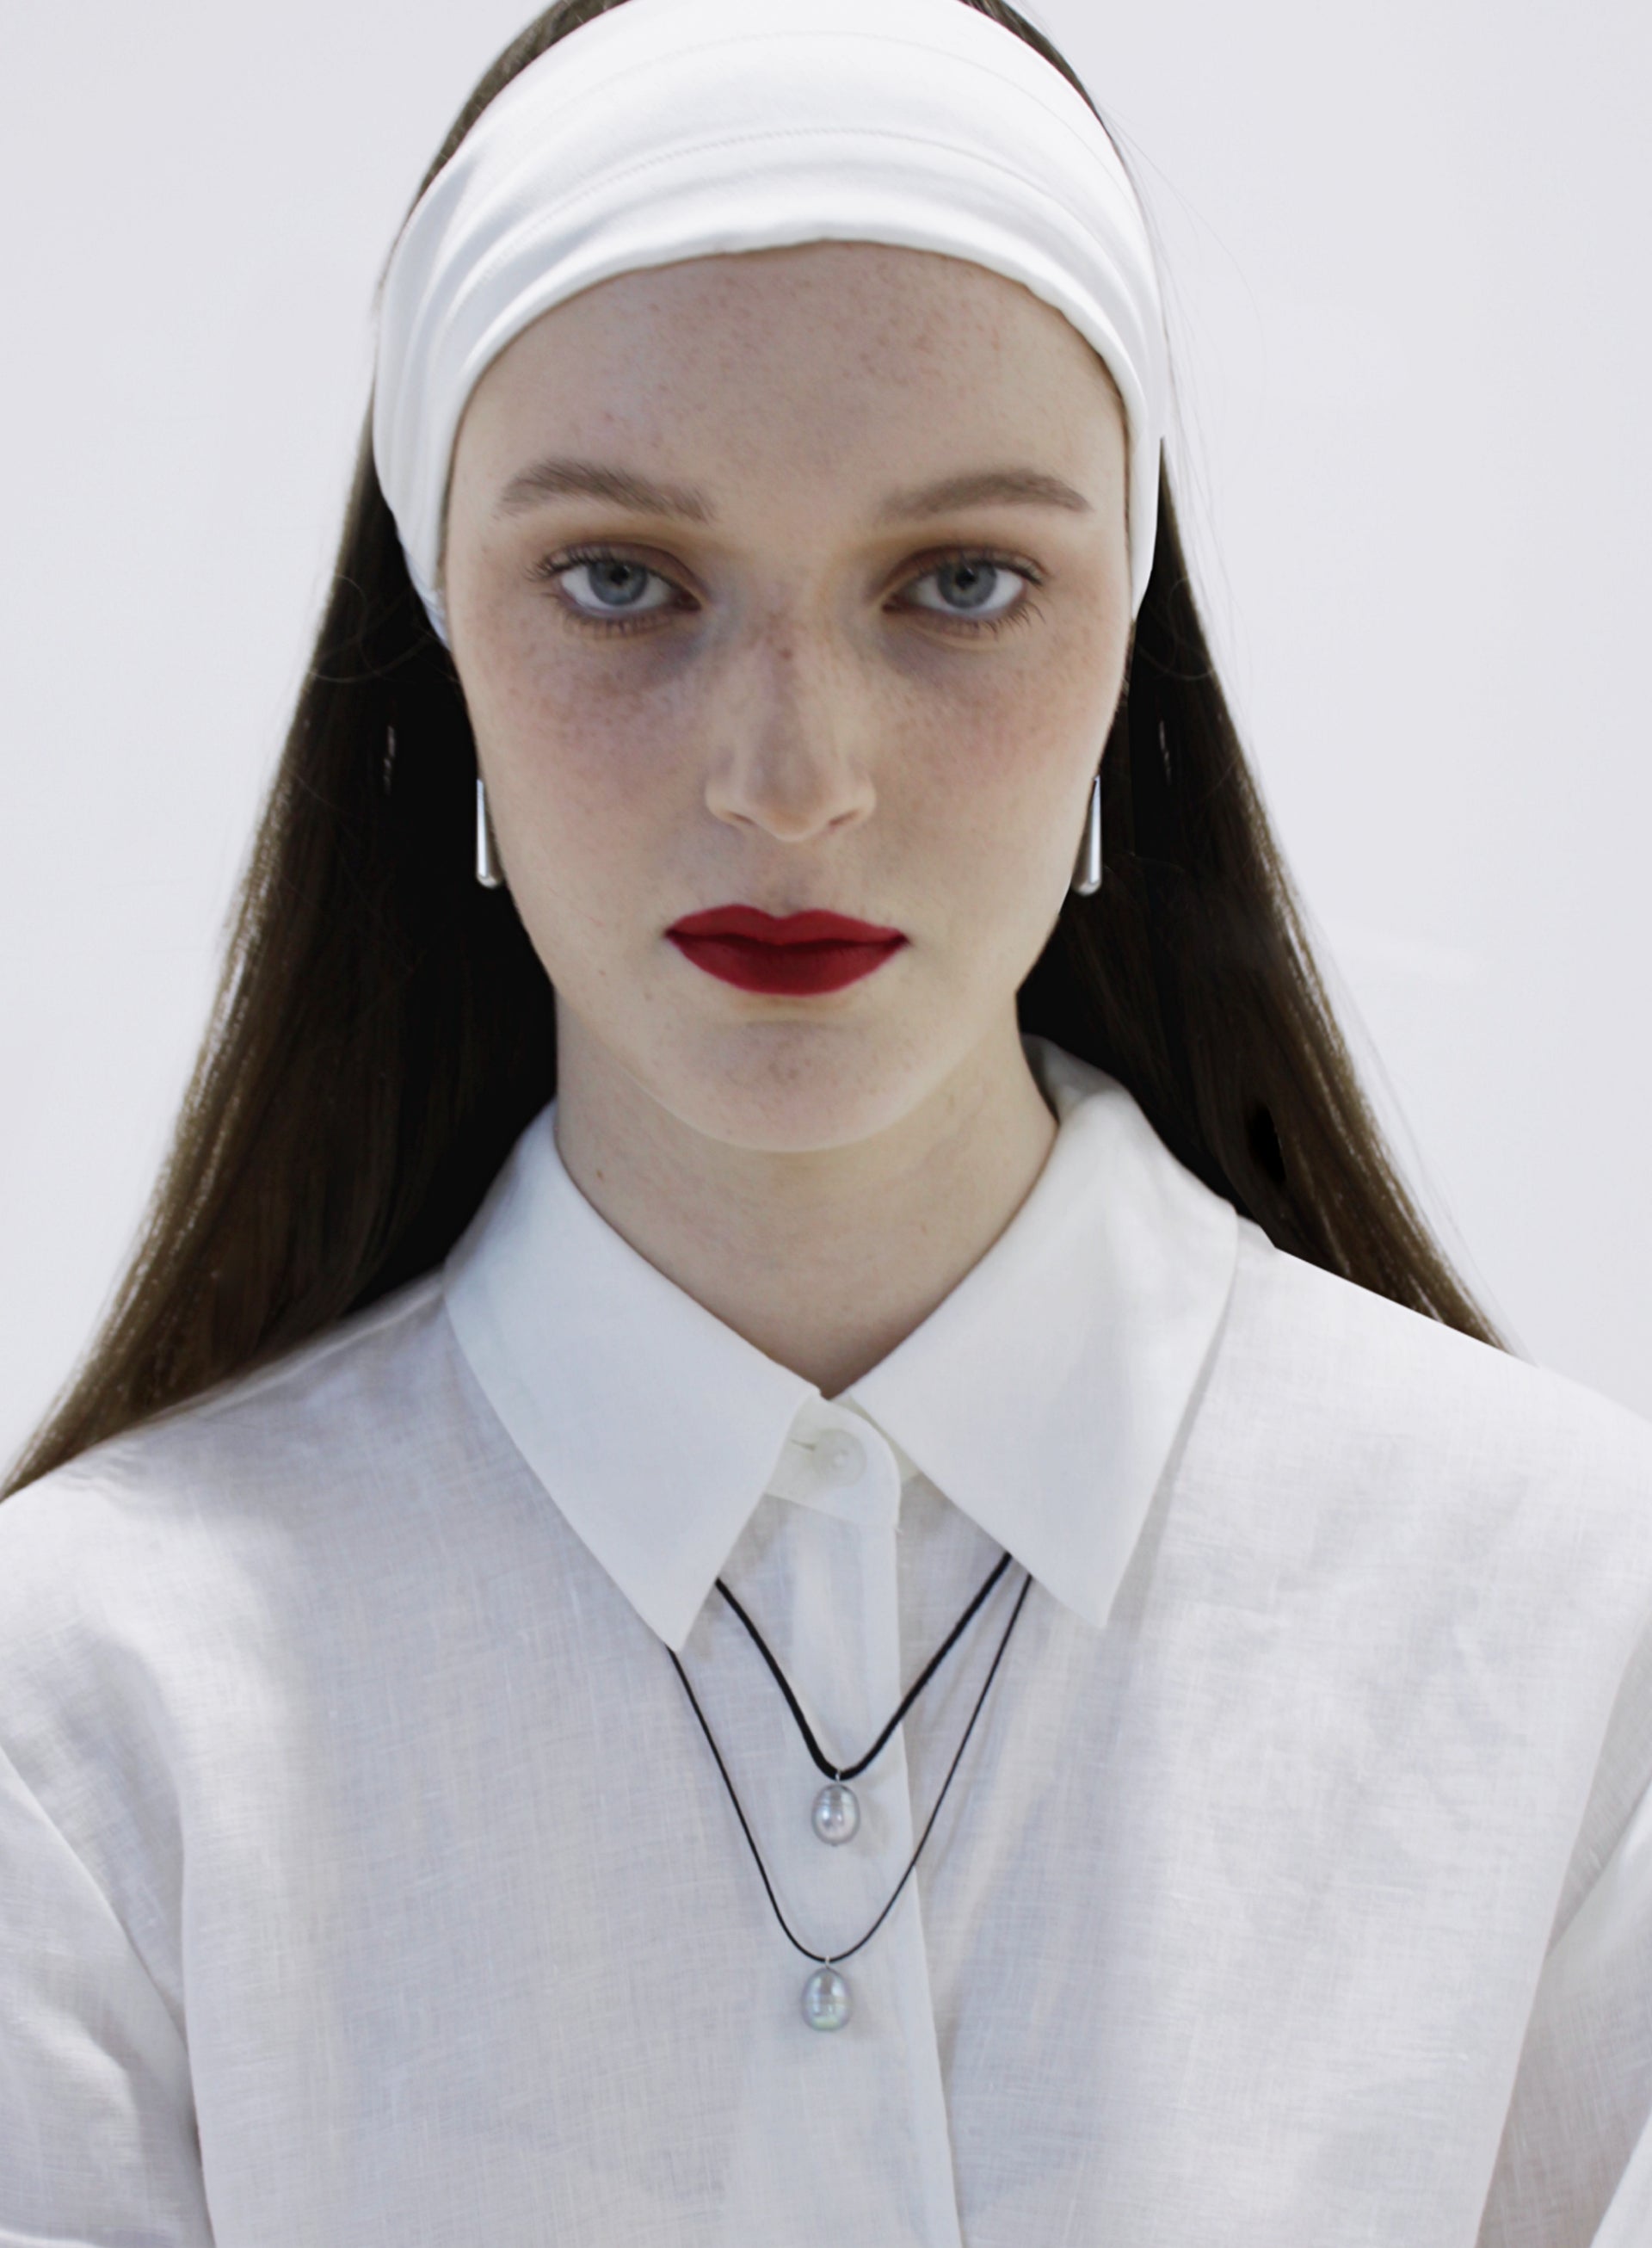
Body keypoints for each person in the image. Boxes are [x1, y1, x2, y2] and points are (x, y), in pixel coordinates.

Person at [3, 0, 1649, 2238]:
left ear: (1125, 636)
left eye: (962, 583)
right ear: (441, 636)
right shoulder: (88, 1715)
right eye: (621, 579)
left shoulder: (1575, 1641)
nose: (795, 777)